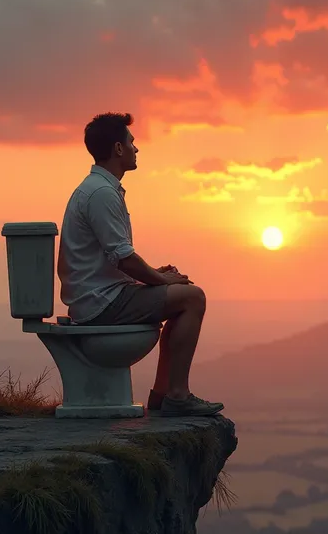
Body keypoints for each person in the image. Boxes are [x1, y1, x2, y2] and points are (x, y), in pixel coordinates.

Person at [57, 112, 224, 417]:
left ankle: (164, 396)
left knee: (179, 296)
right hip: (102, 305)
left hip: (97, 298)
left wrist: (155, 276)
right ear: (118, 149)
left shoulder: (97, 189)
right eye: (132, 142)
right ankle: (176, 395)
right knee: (192, 297)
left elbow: (112, 260)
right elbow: (123, 258)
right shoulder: (102, 193)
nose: (137, 149)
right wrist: (162, 282)